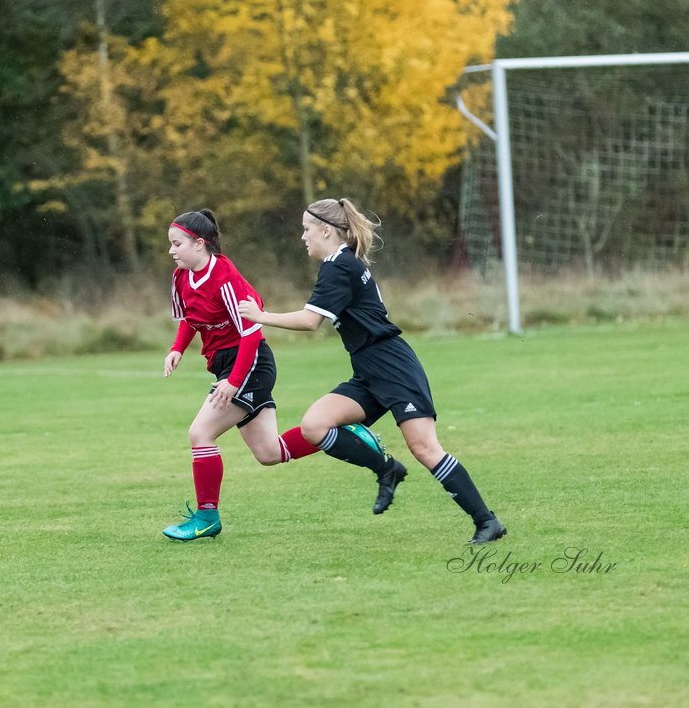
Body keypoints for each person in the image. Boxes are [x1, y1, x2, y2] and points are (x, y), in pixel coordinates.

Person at [237, 197, 506, 544]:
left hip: (393, 367)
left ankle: (487, 522)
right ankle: (386, 468)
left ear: (325, 230)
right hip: (368, 370)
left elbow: (310, 321)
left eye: (306, 229)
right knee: (313, 425)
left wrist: (261, 316)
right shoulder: (341, 263)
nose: (303, 237)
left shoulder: (339, 266)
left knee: (424, 448)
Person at [161, 209, 393, 541]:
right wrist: (177, 349)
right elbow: (189, 318)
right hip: (229, 366)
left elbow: (251, 332)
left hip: (249, 363)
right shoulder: (181, 277)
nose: (172, 251)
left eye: (176, 244)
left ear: (199, 244)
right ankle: (345, 431)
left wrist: (234, 381)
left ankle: (206, 516)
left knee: (200, 433)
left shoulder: (224, 277)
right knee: (270, 453)